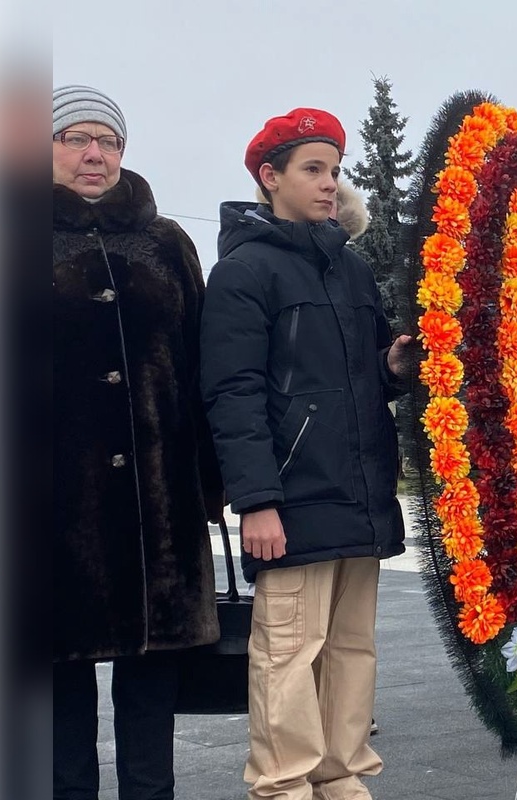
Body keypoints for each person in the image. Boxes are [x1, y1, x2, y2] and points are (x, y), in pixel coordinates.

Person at [200, 108, 413, 800]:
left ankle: (340, 771)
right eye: (313, 170)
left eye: (335, 169)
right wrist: (255, 501)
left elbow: (359, 379)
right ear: (270, 177)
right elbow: (232, 394)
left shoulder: (349, 271)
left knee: (352, 648)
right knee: (288, 653)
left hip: (358, 489)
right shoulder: (243, 273)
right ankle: (285, 783)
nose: (330, 184)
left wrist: (396, 366)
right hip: (291, 498)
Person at [52, 84, 223, 799]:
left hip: (161, 507)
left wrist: (213, 486)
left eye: (109, 141)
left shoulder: (166, 242)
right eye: (76, 138)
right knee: (53, 692)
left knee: (153, 686)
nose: (95, 155)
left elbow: (203, 364)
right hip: (52, 510)